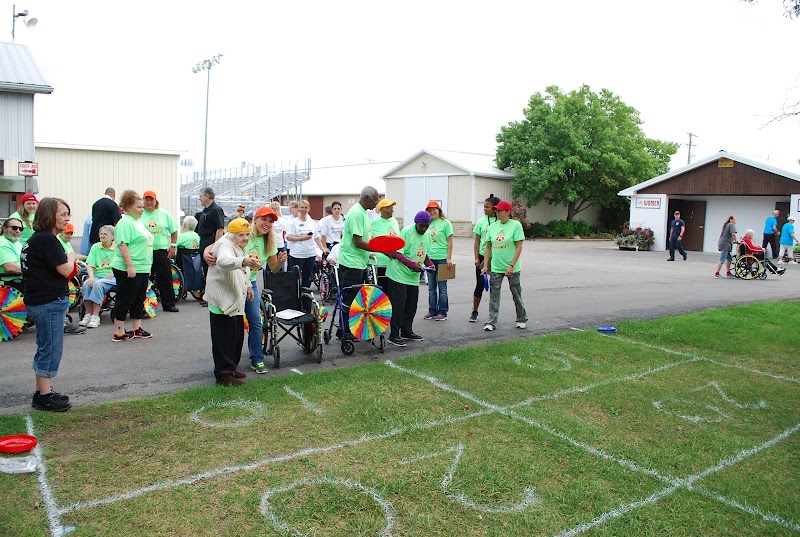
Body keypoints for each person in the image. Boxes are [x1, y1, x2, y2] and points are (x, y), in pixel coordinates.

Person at [21, 197, 77, 412]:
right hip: (47, 302)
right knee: (51, 348)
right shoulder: (47, 239)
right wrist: (71, 257)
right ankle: (44, 395)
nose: (67, 218)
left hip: (40, 301)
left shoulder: (38, 239)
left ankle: (43, 390)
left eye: (67, 214)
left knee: (45, 345)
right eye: (62, 214)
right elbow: (64, 269)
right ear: (49, 215)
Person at [204, 218, 253, 387]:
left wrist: (248, 286)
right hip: (223, 302)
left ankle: (231, 368)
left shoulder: (237, 245)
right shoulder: (225, 244)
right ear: (232, 234)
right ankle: (223, 374)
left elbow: (242, 270)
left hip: (234, 300)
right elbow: (223, 261)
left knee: (235, 336)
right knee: (224, 339)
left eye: (247, 234)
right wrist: (243, 261)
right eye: (242, 235)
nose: (246, 238)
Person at [240, 206, 286, 374]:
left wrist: (280, 262)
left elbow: (273, 268)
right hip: (235, 283)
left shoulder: (270, 241)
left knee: (256, 321)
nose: (267, 224)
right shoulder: (245, 235)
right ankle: (230, 360)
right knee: (234, 323)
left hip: (250, 284)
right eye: (264, 219)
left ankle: (257, 359)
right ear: (255, 219)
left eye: (270, 221)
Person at [384, 211, 434, 347]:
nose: (424, 229)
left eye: (426, 226)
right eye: (422, 226)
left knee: (411, 305)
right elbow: (396, 253)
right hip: (398, 274)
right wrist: (412, 265)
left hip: (413, 276)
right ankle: (394, 335)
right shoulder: (406, 232)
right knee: (398, 306)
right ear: (416, 223)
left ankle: (407, 330)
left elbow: (424, 252)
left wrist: (429, 264)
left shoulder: (427, 233)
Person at [337, 186, 381, 341]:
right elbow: (357, 242)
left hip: (359, 261)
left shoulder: (364, 213)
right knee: (350, 297)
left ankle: (344, 327)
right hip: (351, 263)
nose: (377, 202)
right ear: (367, 198)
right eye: (376, 199)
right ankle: (346, 331)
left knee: (357, 297)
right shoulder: (356, 214)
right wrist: (379, 248)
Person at [110, 190, 154, 341]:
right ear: (128, 207)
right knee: (125, 298)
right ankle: (119, 331)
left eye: (142, 207)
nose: (142, 210)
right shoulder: (124, 222)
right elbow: (122, 245)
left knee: (139, 298)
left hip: (142, 267)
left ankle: (136, 327)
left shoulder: (137, 222)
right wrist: (130, 266)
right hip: (128, 268)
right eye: (139, 207)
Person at [482, 200, 527, 332]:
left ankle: (521, 318)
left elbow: (519, 247)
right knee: (494, 295)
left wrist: (511, 265)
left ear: (508, 212)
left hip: (512, 267)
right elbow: (488, 247)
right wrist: (485, 265)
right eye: (496, 210)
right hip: (496, 267)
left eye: (500, 210)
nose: (497, 212)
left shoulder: (516, 225)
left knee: (516, 293)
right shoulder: (492, 227)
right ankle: (491, 321)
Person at [142, 190, 180, 313]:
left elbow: (174, 231)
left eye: (151, 199)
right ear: (143, 201)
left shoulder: (164, 214)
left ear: (155, 201)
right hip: (143, 251)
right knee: (143, 279)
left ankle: (169, 304)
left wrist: (173, 245)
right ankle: (143, 306)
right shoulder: (139, 214)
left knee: (165, 278)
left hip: (160, 251)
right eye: (146, 199)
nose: (149, 202)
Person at [79, 225, 117, 328]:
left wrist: (114, 272)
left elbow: (122, 263)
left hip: (113, 277)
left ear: (113, 236)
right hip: (97, 275)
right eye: (101, 234)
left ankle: (96, 316)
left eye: (105, 234)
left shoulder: (118, 247)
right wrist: (91, 277)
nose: (102, 236)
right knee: (87, 284)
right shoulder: (95, 247)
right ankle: (88, 314)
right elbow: (90, 265)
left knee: (98, 284)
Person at [470, 194, 500, 323]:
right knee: (480, 285)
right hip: (483, 257)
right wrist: (476, 258)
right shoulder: (481, 222)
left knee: (494, 286)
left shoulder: (500, 222)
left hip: (496, 257)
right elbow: (477, 241)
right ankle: (474, 311)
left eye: (487, 207)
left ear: (494, 208)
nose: (484, 209)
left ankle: (492, 315)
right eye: (484, 207)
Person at [423, 200, 454, 321]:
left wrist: (449, 258)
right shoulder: (427, 224)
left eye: (434, 209)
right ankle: (432, 310)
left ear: (439, 210)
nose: (432, 212)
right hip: (429, 259)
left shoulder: (446, 223)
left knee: (442, 287)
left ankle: (442, 311)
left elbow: (450, 241)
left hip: (442, 258)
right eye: (429, 210)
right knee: (431, 286)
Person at [285, 199, 323, 288]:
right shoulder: (293, 222)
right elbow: (289, 237)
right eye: (302, 207)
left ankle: (306, 297)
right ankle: (295, 297)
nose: (304, 209)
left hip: (310, 254)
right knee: (295, 278)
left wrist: (322, 248)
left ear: (309, 209)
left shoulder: (311, 222)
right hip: (297, 254)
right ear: (298, 208)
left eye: (306, 207)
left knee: (307, 277)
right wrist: (302, 238)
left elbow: (316, 237)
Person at [196, 187, 225, 288]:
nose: (199, 198)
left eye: (201, 196)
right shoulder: (206, 210)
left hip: (210, 241)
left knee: (211, 269)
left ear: (207, 196)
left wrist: (215, 247)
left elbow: (220, 229)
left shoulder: (216, 210)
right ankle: (208, 295)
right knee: (206, 269)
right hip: (204, 240)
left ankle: (213, 296)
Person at [370, 199, 400, 290]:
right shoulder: (374, 222)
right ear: (381, 209)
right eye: (389, 208)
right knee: (381, 290)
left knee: (391, 290)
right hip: (380, 262)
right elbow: (368, 238)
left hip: (393, 262)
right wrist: (370, 253)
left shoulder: (394, 220)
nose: (392, 210)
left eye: (392, 207)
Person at [0, 217, 24, 292]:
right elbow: (10, 267)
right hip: (11, 284)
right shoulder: (2, 242)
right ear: (4, 229)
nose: (18, 231)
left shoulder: (17, 243)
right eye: (14, 228)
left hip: (23, 278)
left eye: (20, 229)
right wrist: (35, 272)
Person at [714, 215, 738, 279]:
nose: (735, 221)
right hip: (725, 244)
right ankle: (716, 274)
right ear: (731, 219)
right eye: (734, 219)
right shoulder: (731, 225)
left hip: (724, 243)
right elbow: (733, 233)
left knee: (729, 259)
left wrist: (733, 241)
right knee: (722, 259)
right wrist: (736, 240)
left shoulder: (726, 225)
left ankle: (728, 273)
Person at [269, 201, 287, 270]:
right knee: (271, 264)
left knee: (281, 264)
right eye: (274, 210)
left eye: (277, 210)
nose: (276, 212)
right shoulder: (269, 220)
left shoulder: (282, 220)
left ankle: (280, 279)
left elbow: (285, 232)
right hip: (271, 245)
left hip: (280, 244)